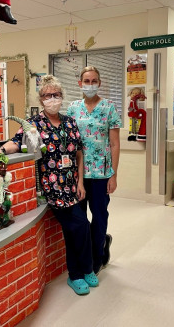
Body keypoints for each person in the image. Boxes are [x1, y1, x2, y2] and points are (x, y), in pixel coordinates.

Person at [0, 75, 98, 295]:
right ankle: (79, 273)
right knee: (80, 226)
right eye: (48, 95)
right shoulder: (35, 125)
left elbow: (78, 154)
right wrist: (0, 150)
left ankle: (81, 272)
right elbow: (16, 142)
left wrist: (81, 182)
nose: (53, 98)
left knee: (73, 230)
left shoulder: (70, 123)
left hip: (72, 186)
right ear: (41, 99)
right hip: (52, 188)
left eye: (56, 94)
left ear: (62, 97)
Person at [67, 66, 121, 275]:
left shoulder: (109, 108)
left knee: (99, 217)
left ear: (99, 83)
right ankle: (84, 256)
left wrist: (113, 174)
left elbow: (115, 144)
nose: (90, 85)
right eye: (86, 81)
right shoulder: (73, 108)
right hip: (78, 176)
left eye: (94, 81)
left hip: (101, 174)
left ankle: (97, 257)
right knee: (80, 219)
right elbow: (70, 142)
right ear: (80, 84)